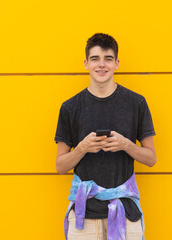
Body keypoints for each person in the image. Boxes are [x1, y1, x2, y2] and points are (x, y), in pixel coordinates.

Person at [54, 33, 156, 240]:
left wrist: (126, 144)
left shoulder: (136, 103)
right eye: (95, 59)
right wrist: (82, 148)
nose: (102, 65)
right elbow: (60, 166)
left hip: (125, 211)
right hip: (84, 215)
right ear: (86, 64)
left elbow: (151, 158)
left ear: (117, 64)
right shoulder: (70, 107)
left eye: (108, 59)